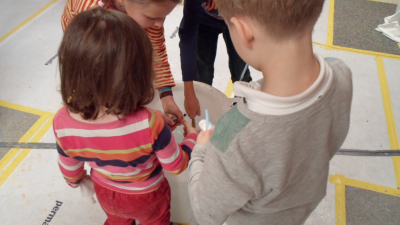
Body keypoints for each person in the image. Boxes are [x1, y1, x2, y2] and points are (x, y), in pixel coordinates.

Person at [188, 0, 353, 224]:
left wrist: (201, 151)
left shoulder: (232, 136)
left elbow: (205, 212)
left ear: (244, 31)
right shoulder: (341, 72)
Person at [54, 8, 198, 225]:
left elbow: (71, 172)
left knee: (116, 220)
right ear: (138, 74)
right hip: (147, 196)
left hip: (105, 192)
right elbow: (176, 165)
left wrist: (76, 182)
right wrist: (193, 139)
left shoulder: (62, 121)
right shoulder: (152, 123)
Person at [61, 0, 184, 127]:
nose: (159, 24)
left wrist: (166, 96)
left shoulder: (147, 14)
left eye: (164, 16)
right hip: (88, 42)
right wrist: (143, 116)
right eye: (152, 17)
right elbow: (100, 75)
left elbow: (156, 51)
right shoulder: (91, 19)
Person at [179, 0, 252, 119]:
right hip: (204, 23)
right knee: (203, 77)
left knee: (241, 73)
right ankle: (203, 119)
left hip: (238, 21)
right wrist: (189, 92)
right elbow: (187, 36)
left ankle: (246, 116)